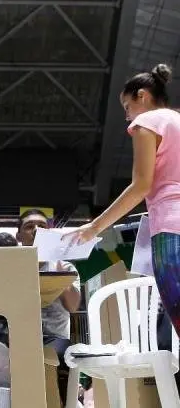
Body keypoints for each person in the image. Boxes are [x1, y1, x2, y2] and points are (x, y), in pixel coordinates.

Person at [67, 63, 180, 336]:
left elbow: (141, 186)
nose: (128, 118)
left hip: (171, 227)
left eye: (127, 108)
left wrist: (94, 227)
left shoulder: (148, 123)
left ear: (142, 95)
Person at [17, 209, 81, 404]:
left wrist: (62, 280)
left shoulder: (65, 266)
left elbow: (72, 306)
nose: (36, 230)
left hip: (55, 339)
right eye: (29, 226)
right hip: (17, 337)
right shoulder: (10, 265)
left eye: (42, 226)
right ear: (19, 235)